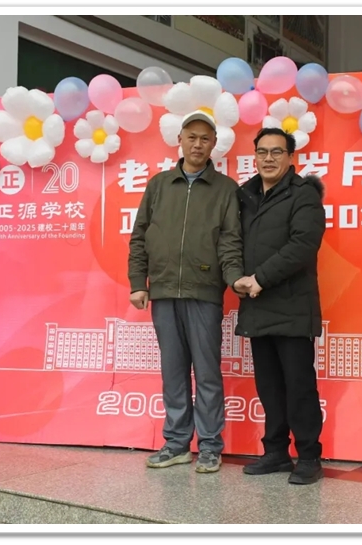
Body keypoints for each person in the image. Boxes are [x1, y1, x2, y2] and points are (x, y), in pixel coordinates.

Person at [127, 110, 245, 474]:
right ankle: (177, 443)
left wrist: (234, 279)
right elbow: (139, 236)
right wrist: (138, 283)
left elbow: (230, 241)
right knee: (173, 371)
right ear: (179, 140)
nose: (197, 144)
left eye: (205, 139)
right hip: (163, 292)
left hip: (204, 292)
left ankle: (209, 446)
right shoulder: (159, 185)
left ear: (214, 145)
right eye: (191, 137)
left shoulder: (226, 190)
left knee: (207, 372)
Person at [232, 127, 327, 485]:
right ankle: (275, 452)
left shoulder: (303, 195)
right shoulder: (245, 195)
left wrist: (260, 278)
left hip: (292, 307)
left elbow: (303, 245)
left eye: (276, 152)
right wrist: (236, 278)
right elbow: (231, 240)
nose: (268, 158)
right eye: (262, 152)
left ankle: (309, 456)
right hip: (257, 307)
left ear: (290, 157)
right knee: (269, 386)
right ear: (254, 156)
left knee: (299, 386)